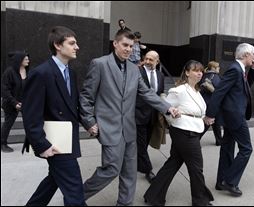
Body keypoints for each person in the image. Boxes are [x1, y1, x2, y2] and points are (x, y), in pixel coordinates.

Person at [79, 30, 179, 206]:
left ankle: (124, 203)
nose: (128, 49)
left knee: (130, 172)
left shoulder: (134, 69)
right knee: (110, 170)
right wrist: (89, 121)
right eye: (125, 45)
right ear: (115, 44)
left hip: (130, 129)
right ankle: (77, 197)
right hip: (109, 128)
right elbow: (86, 97)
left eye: (131, 47)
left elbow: (147, 93)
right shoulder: (100, 64)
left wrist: (167, 108)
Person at [21, 26, 86, 206]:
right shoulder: (41, 73)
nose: (77, 47)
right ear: (58, 45)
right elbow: (30, 114)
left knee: (53, 181)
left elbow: (73, 106)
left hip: (67, 140)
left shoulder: (71, 73)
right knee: (75, 193)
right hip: (54, 143)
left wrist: (89, 123)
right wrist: (41, 145)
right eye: (72, 43)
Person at [144, 60, 214, 206]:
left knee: (173, 163)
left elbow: (197, 112)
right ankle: (200, 201)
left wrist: (204, 119)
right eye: (195, 70)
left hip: (193, 130)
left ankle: (153, 195)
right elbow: (165, 109)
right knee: (196, 168)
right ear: (187, 72)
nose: (199, 73)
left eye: (201, 70)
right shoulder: (178, 90)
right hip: (184, 132)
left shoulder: (197, 91)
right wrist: (173, 116)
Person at [204, 43, 254, 197]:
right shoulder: (235, 69)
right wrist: (210, 114)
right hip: (235, 117)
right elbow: (219, 93)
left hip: (232, 116)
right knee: (246, 149)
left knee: (227, 148)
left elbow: (246, 86)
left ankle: (221, 181)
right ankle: (230, 181)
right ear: (246, 54)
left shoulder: (239, 69)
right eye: (253, 54)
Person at [135, 50, 164, 183]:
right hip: (138, 114)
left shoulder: (160, 75)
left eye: (151, 60)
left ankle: (136, 162)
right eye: (146, 59)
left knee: (144, 142)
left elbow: (160, 93)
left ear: (157, 61)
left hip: (153, 116)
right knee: (141, 144)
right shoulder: (137, 72)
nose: (147, 62)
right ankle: (148, 170)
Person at [1, 51, 29, 152]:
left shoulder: (26, 70)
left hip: (23, 102)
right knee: (8, 123)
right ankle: (2, 143)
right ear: (19, 60)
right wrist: (14, 102)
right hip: (10, 103)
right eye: (26, 59)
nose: (28, 61)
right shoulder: (9, 72)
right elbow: (4, 90)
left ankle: (31, 142)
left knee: (30, 121)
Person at [198, 61, 222, 146]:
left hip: (205, 102)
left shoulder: (204, 75)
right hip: (212, 103)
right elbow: (219, 91)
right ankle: (196, 139)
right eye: (218, 67)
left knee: (216, 123)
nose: (219, 68)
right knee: (207, 123)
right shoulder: (215, 76)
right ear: (213, 68)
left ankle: (219, 140)